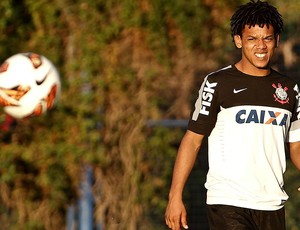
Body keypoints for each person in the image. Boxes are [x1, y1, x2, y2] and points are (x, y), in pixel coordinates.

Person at [165, 0, 300, 229]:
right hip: (228, 201)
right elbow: (193, 140)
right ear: (238, 40)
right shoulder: (218, 83)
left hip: (272, 204)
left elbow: (296, 145)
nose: (261, 46)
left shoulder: (289, 89)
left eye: (267, 38)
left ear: (276, 40)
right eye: (252, 39)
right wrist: (174, 196)